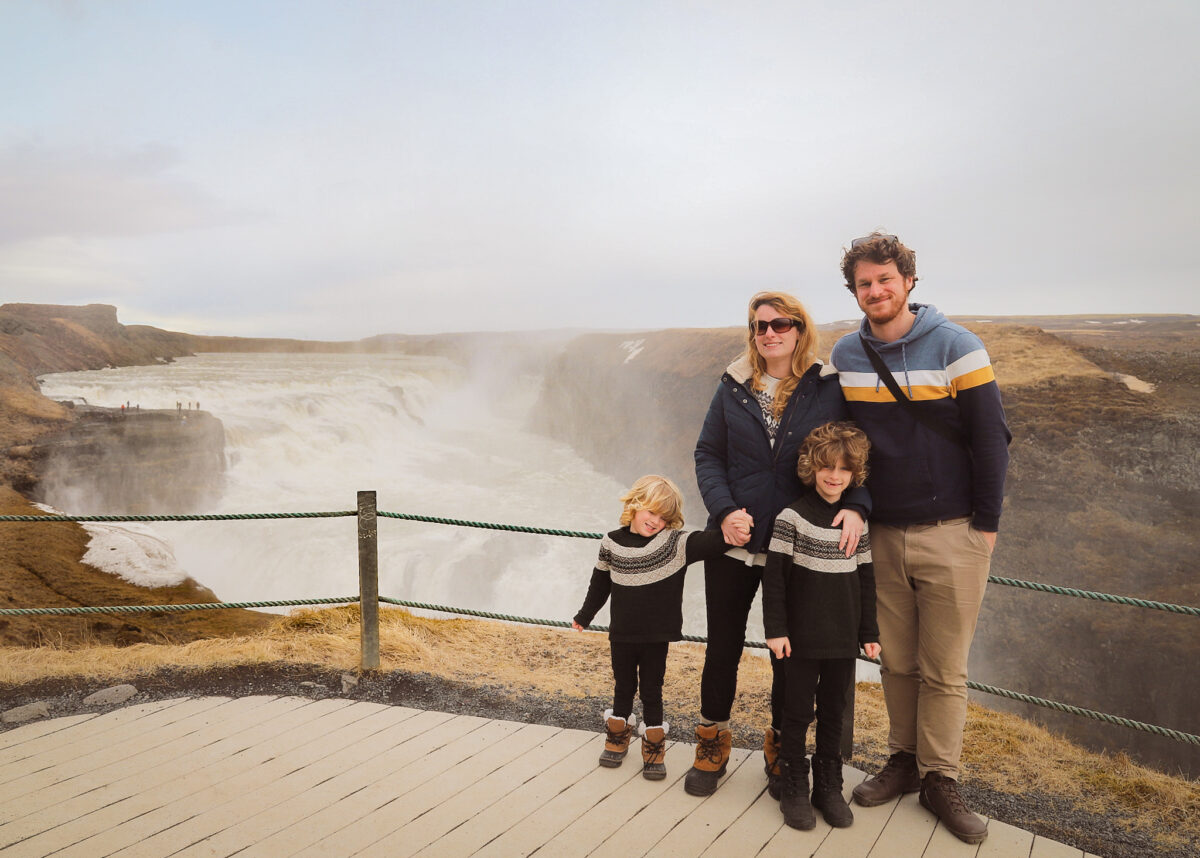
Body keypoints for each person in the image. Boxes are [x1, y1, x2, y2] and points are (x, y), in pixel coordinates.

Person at [829, 232, 1011, 845]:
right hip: (883, 532)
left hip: (953, 532)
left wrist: (984, 527)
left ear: (908, 280)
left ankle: (941, 778)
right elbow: (847, 446)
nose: (875, 291)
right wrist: (856, 505)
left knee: (944, 668)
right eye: (863, 284)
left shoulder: (957, 345)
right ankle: (903, 761)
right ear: (854, 291)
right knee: (898, 661)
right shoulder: (848, 356)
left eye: (885, 279)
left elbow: (991, 439)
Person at [688, 291, 870, 798]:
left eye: (780, 323)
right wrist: (725, 512)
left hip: (796, 546)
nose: (769, 333)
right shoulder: (733, 384)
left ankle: (782, 749)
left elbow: (853, 452)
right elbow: (708, 453)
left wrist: (858, 504)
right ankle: (711, 742)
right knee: (721, 646)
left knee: (788, 655)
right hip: (733, 542)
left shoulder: (827, 387)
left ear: (799, 327)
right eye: (759, 325)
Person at [572, 474, 745, 780]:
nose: (655, 521)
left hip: (656, 637)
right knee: (623, 686)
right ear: (635, 505)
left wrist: (737, 522)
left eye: (664, 517)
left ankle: (654, 748)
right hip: (622, 634)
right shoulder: (611, 542)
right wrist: (584, 615)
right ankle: (617, 736)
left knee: (652, 690)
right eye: (650, 512)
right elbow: (599, 584)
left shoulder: (675, 545)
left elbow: (714, 542)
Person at [762, 421, 880, 830]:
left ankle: (827, 785)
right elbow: (774, 579)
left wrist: (869, 634)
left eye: (844, 470)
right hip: (799, 641)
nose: (835, 477)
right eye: (827, 468)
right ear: (812, 468)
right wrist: (776, 630)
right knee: (796, 713)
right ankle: (794, 783)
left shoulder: (854, 523)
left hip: (842, 639)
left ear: (854, 474)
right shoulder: (790, 518)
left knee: (834, 711)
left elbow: (865, 579)